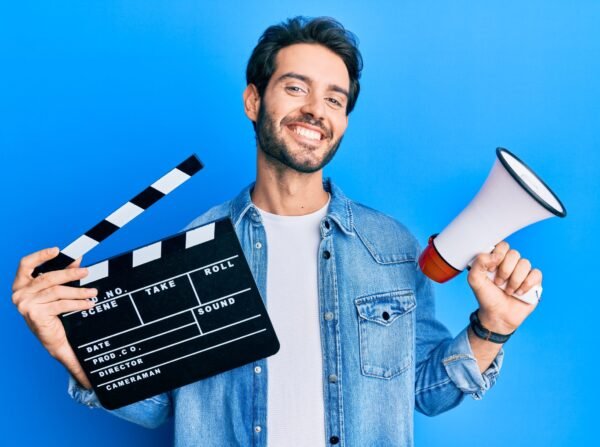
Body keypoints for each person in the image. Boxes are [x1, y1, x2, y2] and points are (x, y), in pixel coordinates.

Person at [11, 16, 542, 447]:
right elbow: (156, 407)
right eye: (295, 88)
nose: (315, 109)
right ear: (253, 101)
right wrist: (68, 347)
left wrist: (491, 329)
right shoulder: (198, 242)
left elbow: (427, 393)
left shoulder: (391, 247)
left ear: (344, 121)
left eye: (334, 99)